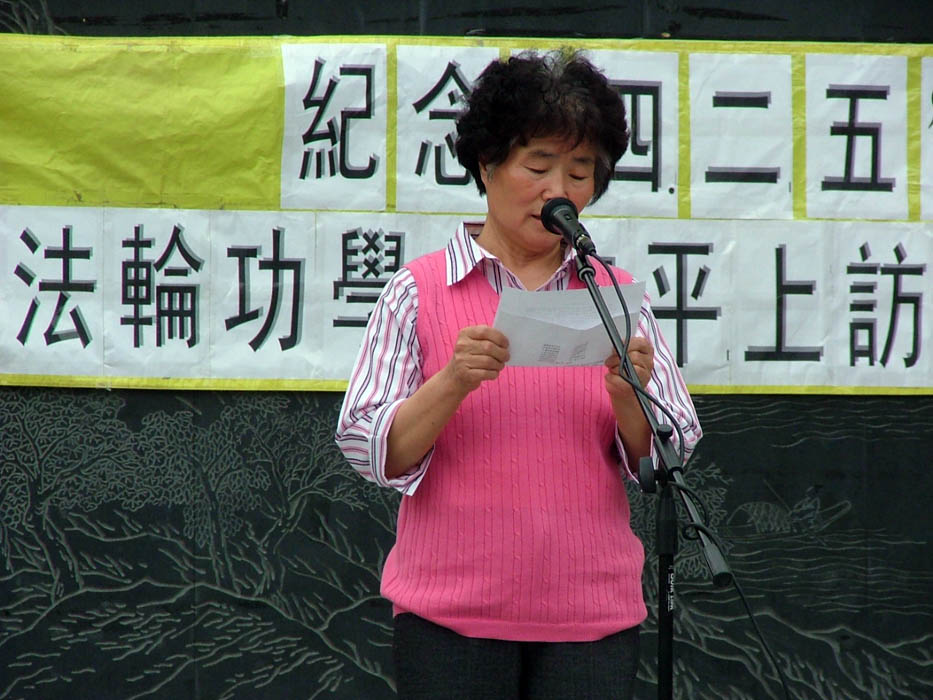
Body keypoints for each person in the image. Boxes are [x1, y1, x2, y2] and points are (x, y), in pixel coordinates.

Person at [335, 48, 701, 700]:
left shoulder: (615, 296)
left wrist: (630, 396)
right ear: (486, 164)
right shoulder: (418, 291)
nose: (559, 190)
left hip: (589, 620)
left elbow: (670, 453)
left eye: (580, 172)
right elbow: (368, 446)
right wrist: (452, 381)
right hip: (451, 619)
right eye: (537, 166)